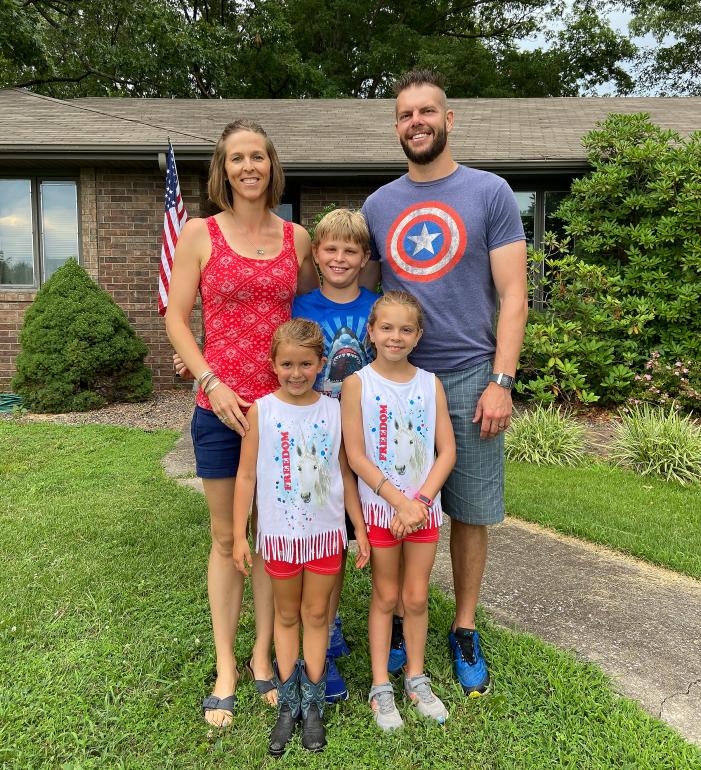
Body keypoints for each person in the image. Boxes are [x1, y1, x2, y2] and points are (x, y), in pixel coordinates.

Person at [360, 70, 528, 696]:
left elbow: (514, 296)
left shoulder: (489, 193)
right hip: (396, 383)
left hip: (467, 375)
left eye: (427, 111)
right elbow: (359, 293)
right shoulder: (379, 205)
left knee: (469, 511)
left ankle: (461, 626)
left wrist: (502, 379)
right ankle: (407, 616)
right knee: (401, 502)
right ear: (397, 125)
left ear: (448, 119)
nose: (416, 122)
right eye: (405, 114)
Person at [165, 118, 318, 727]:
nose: (248, 167)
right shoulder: (201, 233)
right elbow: (177, 319)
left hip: (283, 416)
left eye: (258, 156)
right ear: (222, 170)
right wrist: (208, 378)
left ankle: (261, 662)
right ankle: (226, 666)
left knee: (272, 537)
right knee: (229, 538)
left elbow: (309, 315)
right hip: (220, 410)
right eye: (237, 158)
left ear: (271, 164)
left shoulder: (298, 239)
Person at [232, 319, 370, 754]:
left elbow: (346, 475)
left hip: (325, 536)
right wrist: (239, 535)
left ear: (320, 364)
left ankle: (313, 703)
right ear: (273, 364)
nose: (296, 373)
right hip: (280, 537)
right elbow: (246, 476)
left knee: (317, 617)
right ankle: (287, 704)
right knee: (286, 617)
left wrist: (359, 530)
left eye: (305, 364)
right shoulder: (261, 411)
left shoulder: (333, 412)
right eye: (287, 364)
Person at [342, 291, 456, 730]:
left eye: (406, 329)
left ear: (418, 335)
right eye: (386, 328)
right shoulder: (358, 384)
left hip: (424, 512)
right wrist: (399, 502)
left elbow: (446, 451)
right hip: (381, 511)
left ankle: (415, 676)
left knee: (416, 597)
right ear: (371, 332)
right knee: (386, 596)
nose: (395, 337)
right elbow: (355, 456)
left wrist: (420, 502)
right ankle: (379, 686)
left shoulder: (430, 383)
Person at [291, 208, 378, 702]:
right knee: (323, 534)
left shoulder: (377, 305)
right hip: (315, 441)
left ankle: (361, 615)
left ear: (364, 257)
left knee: (353, 531)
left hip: (367, 442)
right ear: (317, 256)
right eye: (331, 249)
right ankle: (328, 622)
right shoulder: (299, 305)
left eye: (351, 250)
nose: (340, 258)